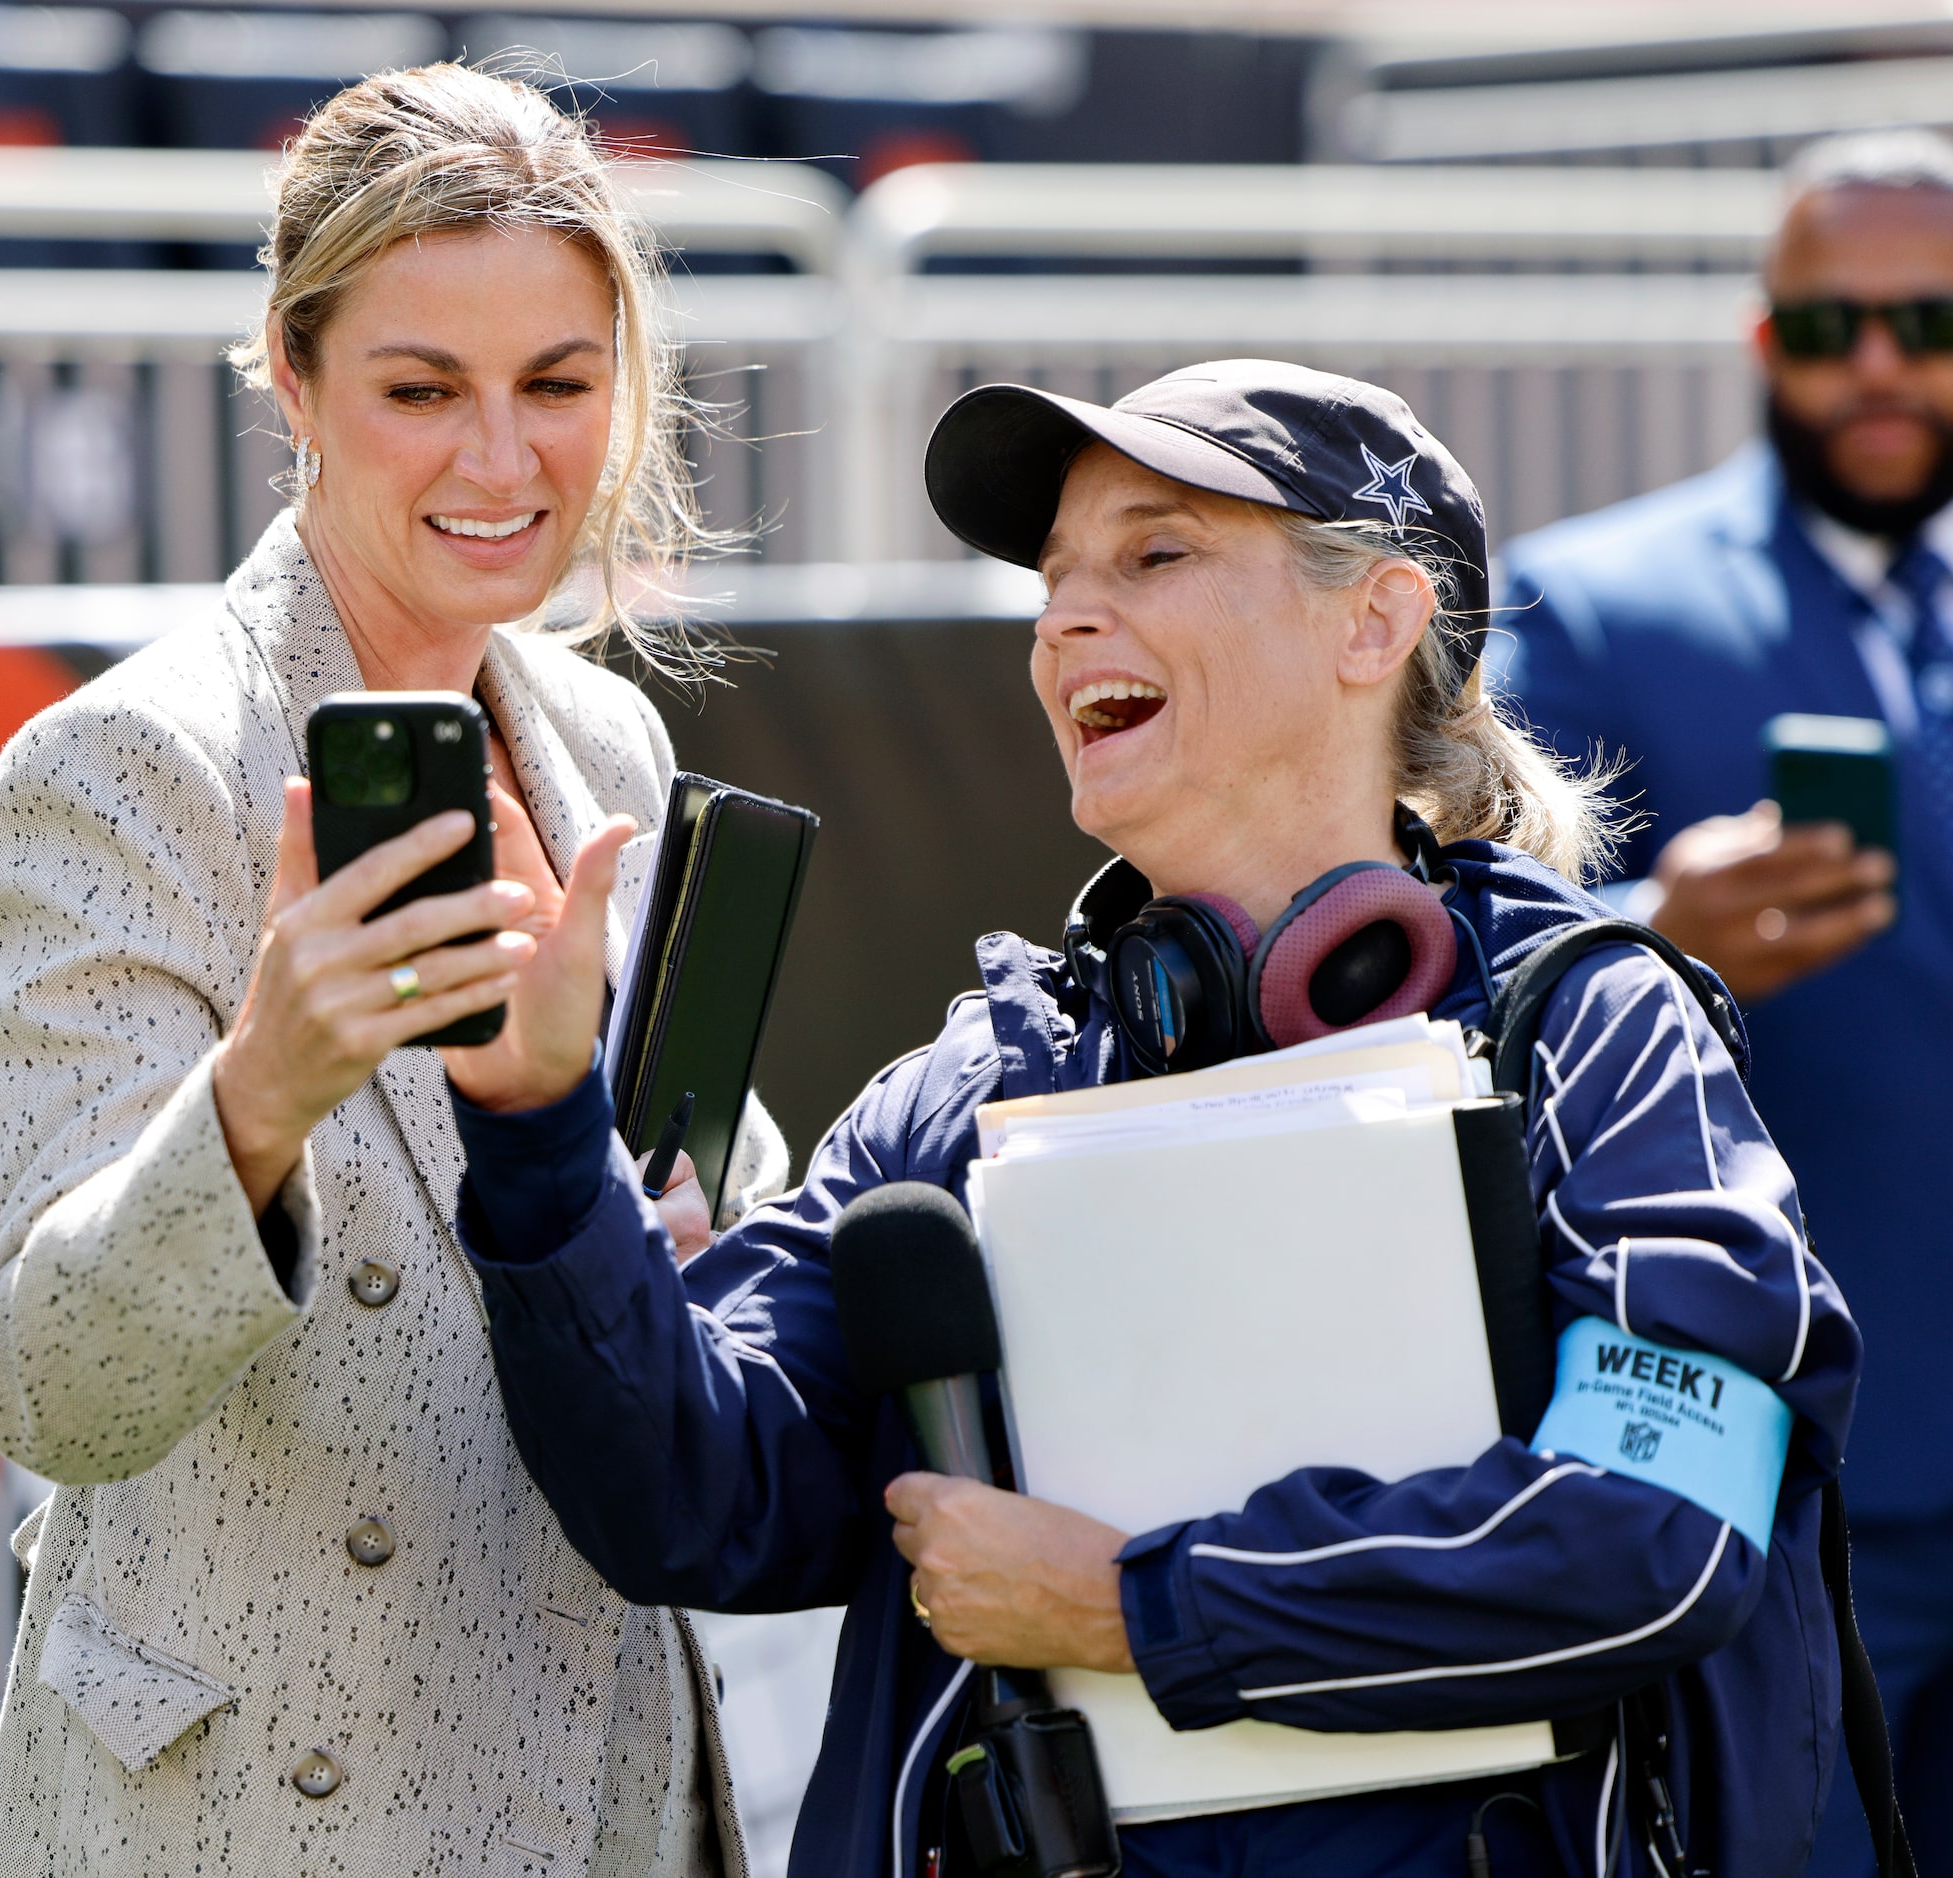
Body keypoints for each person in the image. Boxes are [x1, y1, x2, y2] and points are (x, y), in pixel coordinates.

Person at [440, 358, 1864, 1877]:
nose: (1061, 622)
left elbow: (1657, 1539)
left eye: (1153, 555)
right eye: (1053, 581)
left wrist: (1130, 1605)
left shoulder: (1595, 1033)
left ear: (1373, 623)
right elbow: (688, 1497)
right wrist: (536, 1127)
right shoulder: (964, 1089)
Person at [0, 65, 781, 1878]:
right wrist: (261, 1095)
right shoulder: (131, 766)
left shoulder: (610, 746)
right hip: (267, 1815)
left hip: (601, 1788)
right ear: (294, 371)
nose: (502, 463)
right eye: (423, 390)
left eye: (558, 386)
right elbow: (50, 1385)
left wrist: (695, 1206)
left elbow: (669, 1229)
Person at [1494, 130, 1953, 1878]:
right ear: (1764, 344)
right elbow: (1468, 954)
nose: (1879, 365)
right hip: (1789, 1454)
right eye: (1828, 329)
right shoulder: (1593, 611)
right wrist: (1645, 931)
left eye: (1926, 318)